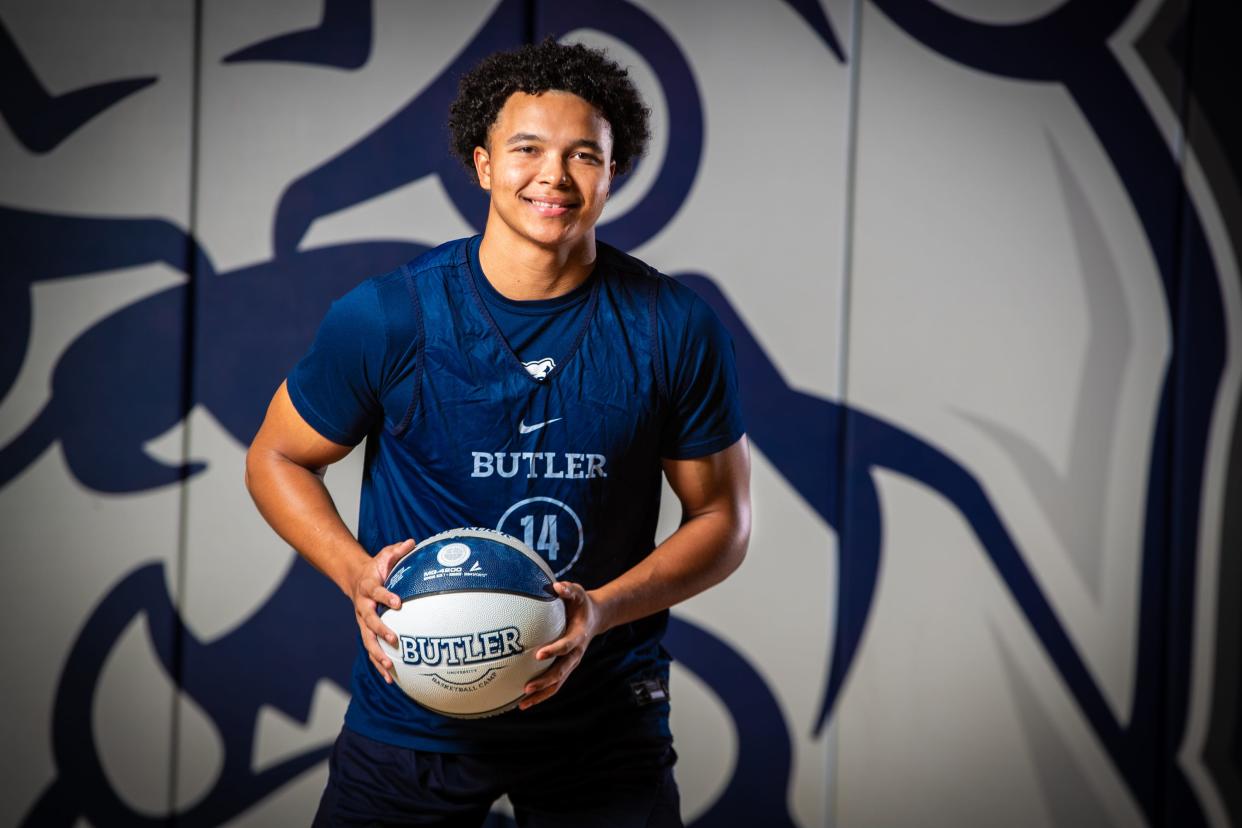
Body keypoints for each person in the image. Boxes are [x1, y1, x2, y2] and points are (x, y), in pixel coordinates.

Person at [245, 38, 750, 827]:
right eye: (528, 150)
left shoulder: (673, 327)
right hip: (417, 709)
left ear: (613, 173)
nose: (554, 175)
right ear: (482, 165)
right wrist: (354, 574)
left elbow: (723, 520)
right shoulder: (390, 315)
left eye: (585, 154)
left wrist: (600, 612)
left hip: (603, 709)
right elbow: (276, 456)